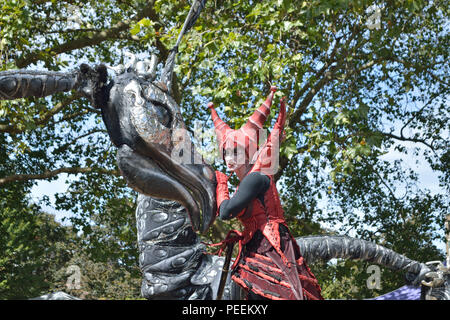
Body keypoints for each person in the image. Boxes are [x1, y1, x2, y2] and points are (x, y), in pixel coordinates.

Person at [207, 86, 323, 300]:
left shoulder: (256, 178)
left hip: (270, 246)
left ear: (248, 151)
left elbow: (225, 212)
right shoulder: (249, 180)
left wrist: (221, 184)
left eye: (236, 151)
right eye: (226, 153)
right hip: (255, 247)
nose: (230, 158)